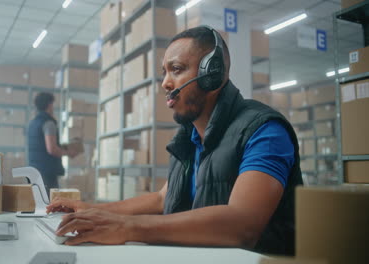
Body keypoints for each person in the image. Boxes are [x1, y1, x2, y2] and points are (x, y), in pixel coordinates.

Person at [46, 26, 303, 256]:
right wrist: (91, 210)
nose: (165, 83)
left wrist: (127, 227)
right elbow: (161, 200)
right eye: (164, 72)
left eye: (176, 70)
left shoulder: (264, 129)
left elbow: (243, 224)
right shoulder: (188, 138)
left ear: (211, 74)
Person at [28, 92, 76, 194]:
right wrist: (69, 152)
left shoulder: (33, 123)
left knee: (38, 206)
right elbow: (52, 149)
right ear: (49, 105)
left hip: (33, 172)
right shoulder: (48, 123)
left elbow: (40, 146)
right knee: (50, 205)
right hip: (46, 174)